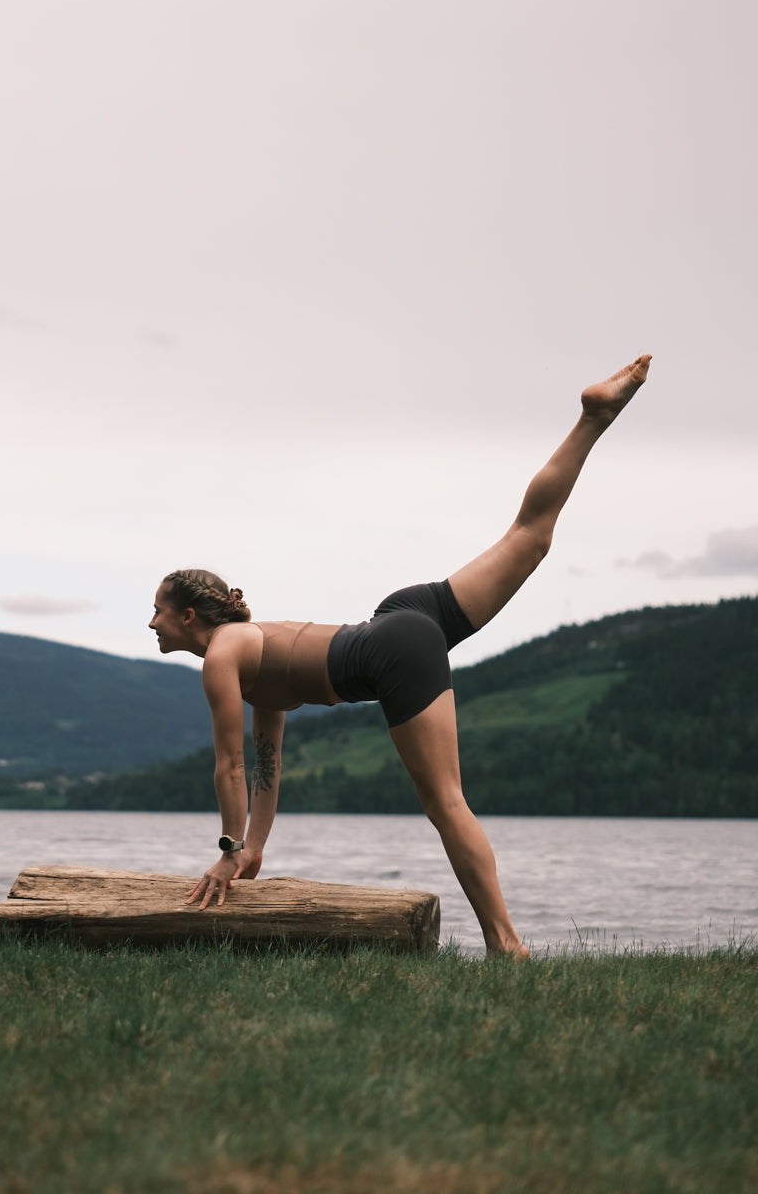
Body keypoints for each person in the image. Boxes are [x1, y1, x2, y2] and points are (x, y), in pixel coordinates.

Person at [148, 354, 652, 957]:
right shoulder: (247, 654)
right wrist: (253, 847)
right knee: (529, 536)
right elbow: (264, 763)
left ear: (187, 616)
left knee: (446, 802)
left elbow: (228, 766)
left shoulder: (222, 655)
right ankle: (593, 419)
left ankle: (506, 944)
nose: (150, 622)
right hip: (402, 615)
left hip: (391, 650)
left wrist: (227, 855)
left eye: (157, 609)